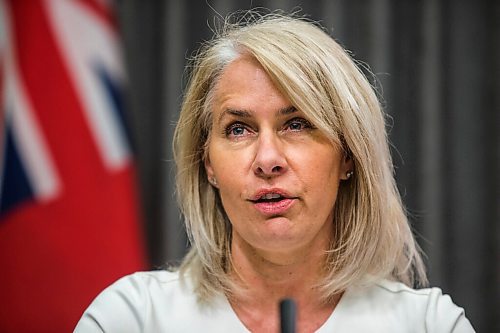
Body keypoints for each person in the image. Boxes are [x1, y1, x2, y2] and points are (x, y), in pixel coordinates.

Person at [74, 12, 474, 332]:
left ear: (348, 156)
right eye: (238, 129)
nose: (267, 159)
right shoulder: (131, 319)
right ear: (208, 164)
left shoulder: (429, 324)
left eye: (296, 124)